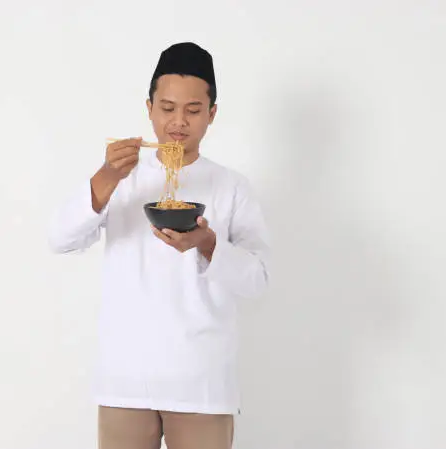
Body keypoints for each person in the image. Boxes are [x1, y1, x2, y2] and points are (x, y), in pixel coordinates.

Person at [48, 42, 270, 449]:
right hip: (125, 381)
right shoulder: (121, 176)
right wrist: (105, 177)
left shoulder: (232, 187)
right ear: (149, 107)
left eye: (193, 110)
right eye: (167, 109)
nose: (178, 123)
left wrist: (208, 244)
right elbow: (60, 238)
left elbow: (257, 279)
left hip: (202, 383)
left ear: (212, 113)